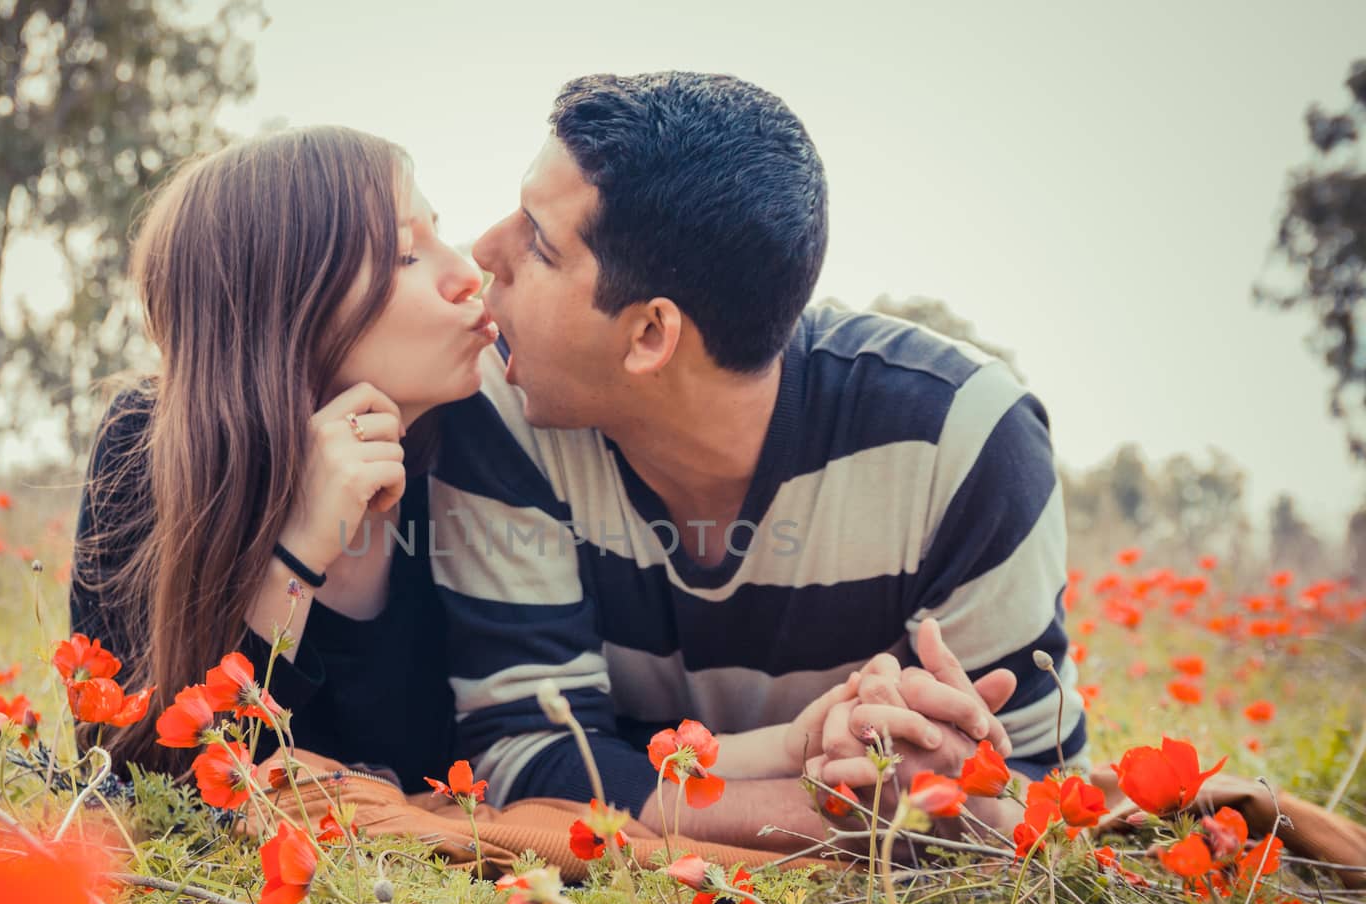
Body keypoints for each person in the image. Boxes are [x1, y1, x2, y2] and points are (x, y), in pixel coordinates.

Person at [428, 72, 1087, 849]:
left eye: (539, 243)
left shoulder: (966, 443)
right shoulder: (505, 404)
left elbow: (1032, 793)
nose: (485, 251)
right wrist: (854, 817)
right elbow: (525, 760)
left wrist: (946, 766)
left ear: (649, 336)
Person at [69, 126, 497, 789]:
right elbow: (145, 793)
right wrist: (298, 554)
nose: (469, 274)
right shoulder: (147, 452)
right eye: (408, 255)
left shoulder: (479, 435)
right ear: (287, 310)